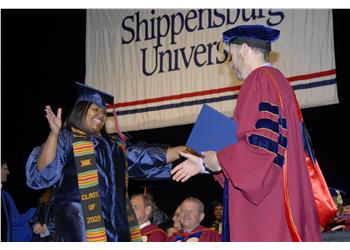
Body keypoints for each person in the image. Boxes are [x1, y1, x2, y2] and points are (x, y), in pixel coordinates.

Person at [171, 25, 322, 241]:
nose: (230, 63)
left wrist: (214, 159)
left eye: (230, 54)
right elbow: (258, 138)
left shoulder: (259, 80)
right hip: (281, 192)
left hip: (267, 207)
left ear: (244, 49)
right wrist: (205, 164)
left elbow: (260, 146)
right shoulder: (278, 82)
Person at [26, 82, 188, 242]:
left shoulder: (114, 146)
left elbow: (143, 157)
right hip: (80, 228)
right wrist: (54, 134)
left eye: (104, 112)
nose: (101, 115)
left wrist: (184, 150)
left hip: (116, 228)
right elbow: (44, 172)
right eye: (95, 109)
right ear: (81, 109)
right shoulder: (68, 138)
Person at [1, 159, 36, 242]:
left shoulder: (5, 196)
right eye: (5, 168)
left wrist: (38, 211)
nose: (8, 172)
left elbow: (16, 220)